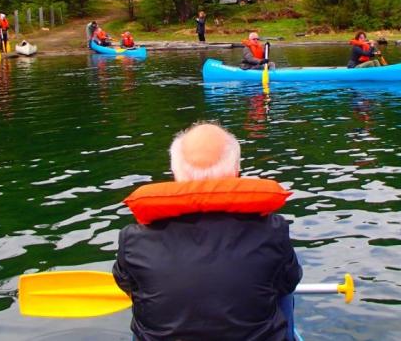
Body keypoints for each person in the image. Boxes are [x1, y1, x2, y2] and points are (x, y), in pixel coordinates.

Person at [113, 122, 302, 341]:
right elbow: (290, 280)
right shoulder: (273, 231)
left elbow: (125, 283)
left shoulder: (133, 240)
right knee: (282, 290)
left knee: (142, 294)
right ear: (236, 172)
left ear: (175, 174)